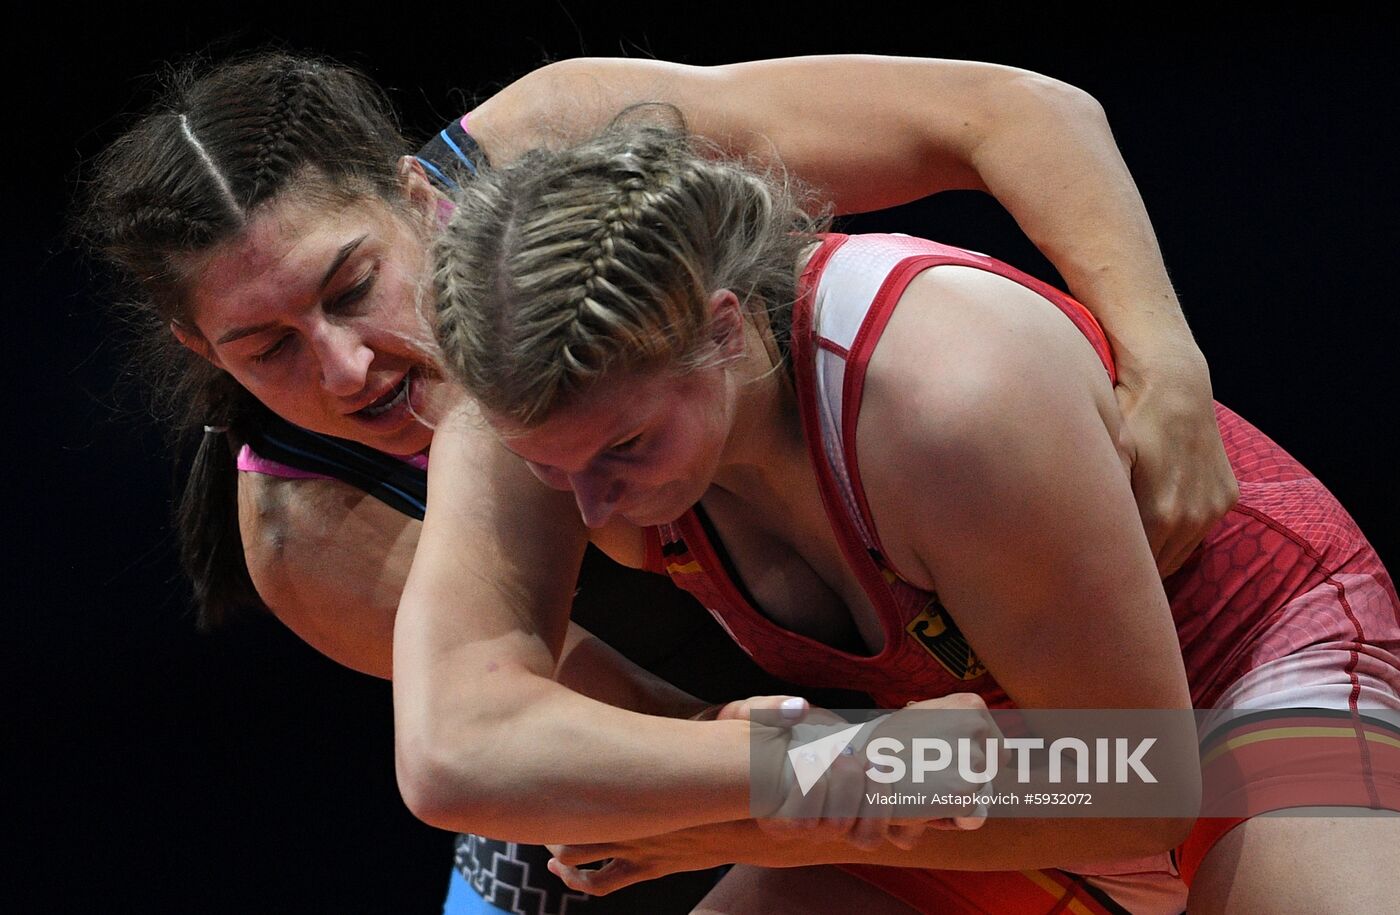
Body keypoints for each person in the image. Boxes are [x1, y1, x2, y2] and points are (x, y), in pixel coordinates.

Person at [84, 51, 1241, 913]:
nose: (346, 371)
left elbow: (1005, 110)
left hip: (967, 643)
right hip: (764, 723)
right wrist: (858, 766)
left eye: (352, 288)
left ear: (417, 198)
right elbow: (632, 753)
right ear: (200, 351)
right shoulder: (306, 530)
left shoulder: (566, 135)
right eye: (266, 348)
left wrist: (1164, 365)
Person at [404, 125, 1400, 914]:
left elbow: (1135, 783)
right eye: (548, 469)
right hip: (988, 784)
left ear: (720, 329)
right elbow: (455, 755)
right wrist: (809, 770)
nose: (591, 506)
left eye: (625, 449)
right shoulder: (547, 421)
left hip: (1230, 699)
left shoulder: (944, 390)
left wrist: (741, 814)